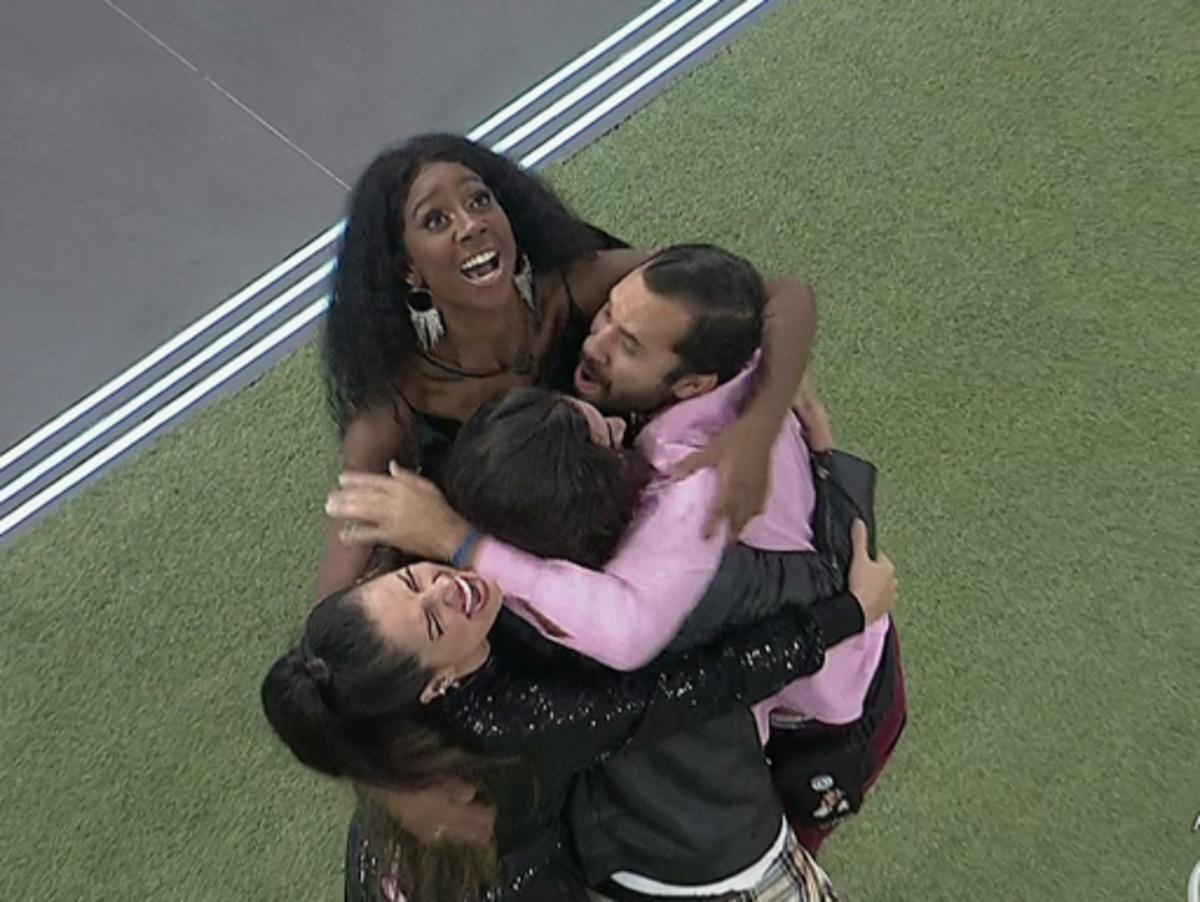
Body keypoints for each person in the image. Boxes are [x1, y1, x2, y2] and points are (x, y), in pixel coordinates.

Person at [327, 245, 906, 896]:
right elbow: (706, 677)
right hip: (700, 845)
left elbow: (782, 294)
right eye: (606, 317)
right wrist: (827, 474)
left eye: (626, 342)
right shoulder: (543, 651)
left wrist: (455, 539)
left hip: (810, 742)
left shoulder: (686, 515)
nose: (595, 345)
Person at [317, 134, 818, 600]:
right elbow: (335, 594)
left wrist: (760, 423)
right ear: (407, 269)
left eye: (479, 200)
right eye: (435, 220)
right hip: (518, 584)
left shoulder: (577, 287)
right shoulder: (395, 407)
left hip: (643, 518)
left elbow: (780, 294)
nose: (470, 225)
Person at [262, 542, 895, 899]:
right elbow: (698, 687)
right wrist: (848, 613)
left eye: (410, 580)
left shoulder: (371, 716)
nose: (444, 588)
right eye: (432, 621)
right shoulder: (523, 722)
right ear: (435, 685)